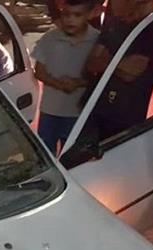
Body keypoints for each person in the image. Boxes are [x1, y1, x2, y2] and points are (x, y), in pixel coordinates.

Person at [84, 0, 153, 140]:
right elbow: (92, 63)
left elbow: (132, 72)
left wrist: (106, 61)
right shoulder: (116, 23)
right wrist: (120, 64)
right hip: (95, 107)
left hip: (126, 115)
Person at [32, 0, 99, 155]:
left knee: (72, 157)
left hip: (79, 112)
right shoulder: (50, 38)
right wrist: (58, 84)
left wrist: (79, 83)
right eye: (66, 14)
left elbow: (101, 76)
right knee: (45, 154)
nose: (70, 20)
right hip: (50, 111)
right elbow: (39, 72)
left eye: (77, 15)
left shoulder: (97, 40)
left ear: (89, 15)